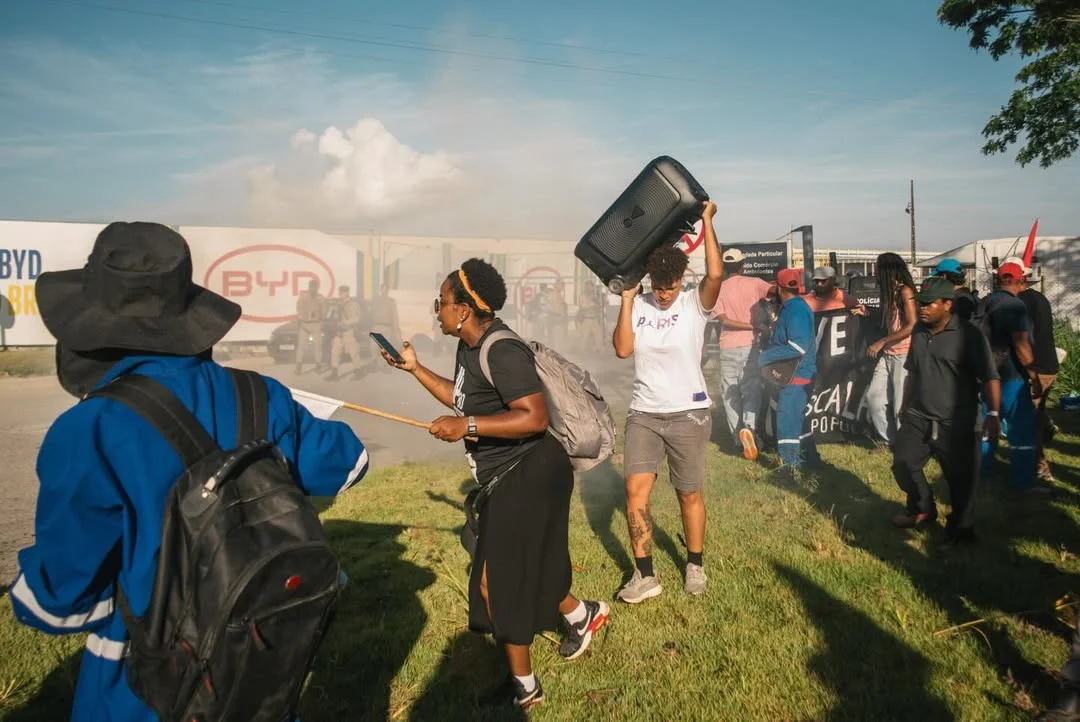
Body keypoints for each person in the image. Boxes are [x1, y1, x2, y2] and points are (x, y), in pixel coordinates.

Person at [7, 222, 370, 722]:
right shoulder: (263, 395)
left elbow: (59, 602)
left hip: (139, 695)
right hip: (256, 685)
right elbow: (351, 461)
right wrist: (282, 409)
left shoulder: (88, 429)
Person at [381, 257, 609, 711]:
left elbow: (533, 416)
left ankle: (526, 690)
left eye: (441, 303)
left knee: (494, 582)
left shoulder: (501, 349)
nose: (436, 310)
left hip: (529, 472)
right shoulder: (470, 346)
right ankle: (583, 616)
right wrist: (415, 369)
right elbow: (464, 396)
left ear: (463, 309)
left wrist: (466, 427)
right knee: (533, 564)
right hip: (515, 474)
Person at [612, 200, 723, 604]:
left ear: (680, 281)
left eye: (669, 286)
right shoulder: (639, 305)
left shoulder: (695, 304)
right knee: (635, 494)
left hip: (688, 414)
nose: (662, 294)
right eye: (657, 287)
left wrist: (707, 221)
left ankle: (694, 563)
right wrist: (626, 300)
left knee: (688, 493)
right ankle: (645, 575)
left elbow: (715, 273)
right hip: (644, 414)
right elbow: (623, 350)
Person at [889, 277, 1001, 547]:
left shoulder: (969, 335)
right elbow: (913, 371)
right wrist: (905, 405)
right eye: (921, 303)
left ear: (947, 304)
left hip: (958, 420)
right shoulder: (918, 332)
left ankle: (961, 534)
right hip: (919, 415)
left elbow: (989, 376)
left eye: (929, 304)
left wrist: (994, 414)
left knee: (960, 482)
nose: (923, 309)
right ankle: (922, 508)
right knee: (903, 462)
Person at [978, 262, 1044, 491]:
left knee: (988, 425)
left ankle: (982, 474)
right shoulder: (1016, 306)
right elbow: (1021, 346)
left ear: (997, 280)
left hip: (988, 375)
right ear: (1021, 281)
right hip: (1012, 375)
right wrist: (1034, 376)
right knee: (1021, 431)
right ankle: (1023, 482)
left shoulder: (985, 303)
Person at [711, 248, 772, 460]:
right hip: (750, 345)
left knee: (730, 395)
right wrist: (757, 325)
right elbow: (775, 291)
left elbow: (724, 321)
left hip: (727, 346)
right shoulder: (755, 283)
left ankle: (738, 440)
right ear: (742, 265)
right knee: (752, 390)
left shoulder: (717, 289)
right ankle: (750, 429)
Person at [759, 268, 822, 473]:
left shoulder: (795, 310)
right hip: (798, 375)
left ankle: (790, 469)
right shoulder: (793, 307)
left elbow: (798, 346)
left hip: (796, 376)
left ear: (778, 287)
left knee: (786, 422)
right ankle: (811, 461)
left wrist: (765, 357)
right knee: (799, 422)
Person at [1014, 262, 1060, 483]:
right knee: (1037, 414)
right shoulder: (1040, 298)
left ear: (1022, 279)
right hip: (1049, 365)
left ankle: (1040, 469)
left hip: (1038, 368)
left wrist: (1029, 371)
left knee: (1029, 420)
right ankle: (1047, 426)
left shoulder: (1021, 303)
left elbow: (1022, 341)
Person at [866, 252, 918, 444]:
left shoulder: (905, 291)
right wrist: (867, 312)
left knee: (899, 405)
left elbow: (912, 324)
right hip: (889, 354)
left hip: (903, 354)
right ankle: (889, 440)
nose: (875, 272)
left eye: (878, 268)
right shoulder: (890, 292)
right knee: (874, 397)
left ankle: (904, 445)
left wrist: (882, 341)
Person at [327, 284, 365, 381]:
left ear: (347, 293)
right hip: (339, 332)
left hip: (349, 331)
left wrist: (346, 322)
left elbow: (357, 318)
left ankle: (358, 371)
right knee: (335, 352)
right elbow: (334, 316)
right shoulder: (338, 305)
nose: (341, 294)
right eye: (340, 292)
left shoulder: (353, 304)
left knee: (354, 352)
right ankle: (334, 373)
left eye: (343, 292)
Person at [295, 278, 326, 374]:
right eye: (311, 287)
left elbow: (324, 311)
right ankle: (299, 366)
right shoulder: (303, 297)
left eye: (315, 287)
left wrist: (319, 317)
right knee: (301, 347)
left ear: (317, 287)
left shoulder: (321, 298)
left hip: (316, 324)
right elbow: (299, 309)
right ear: (309, 287)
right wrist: (303, 317)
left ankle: (318, 365)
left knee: (318, 346)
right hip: (305, 324)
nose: (313, 289)